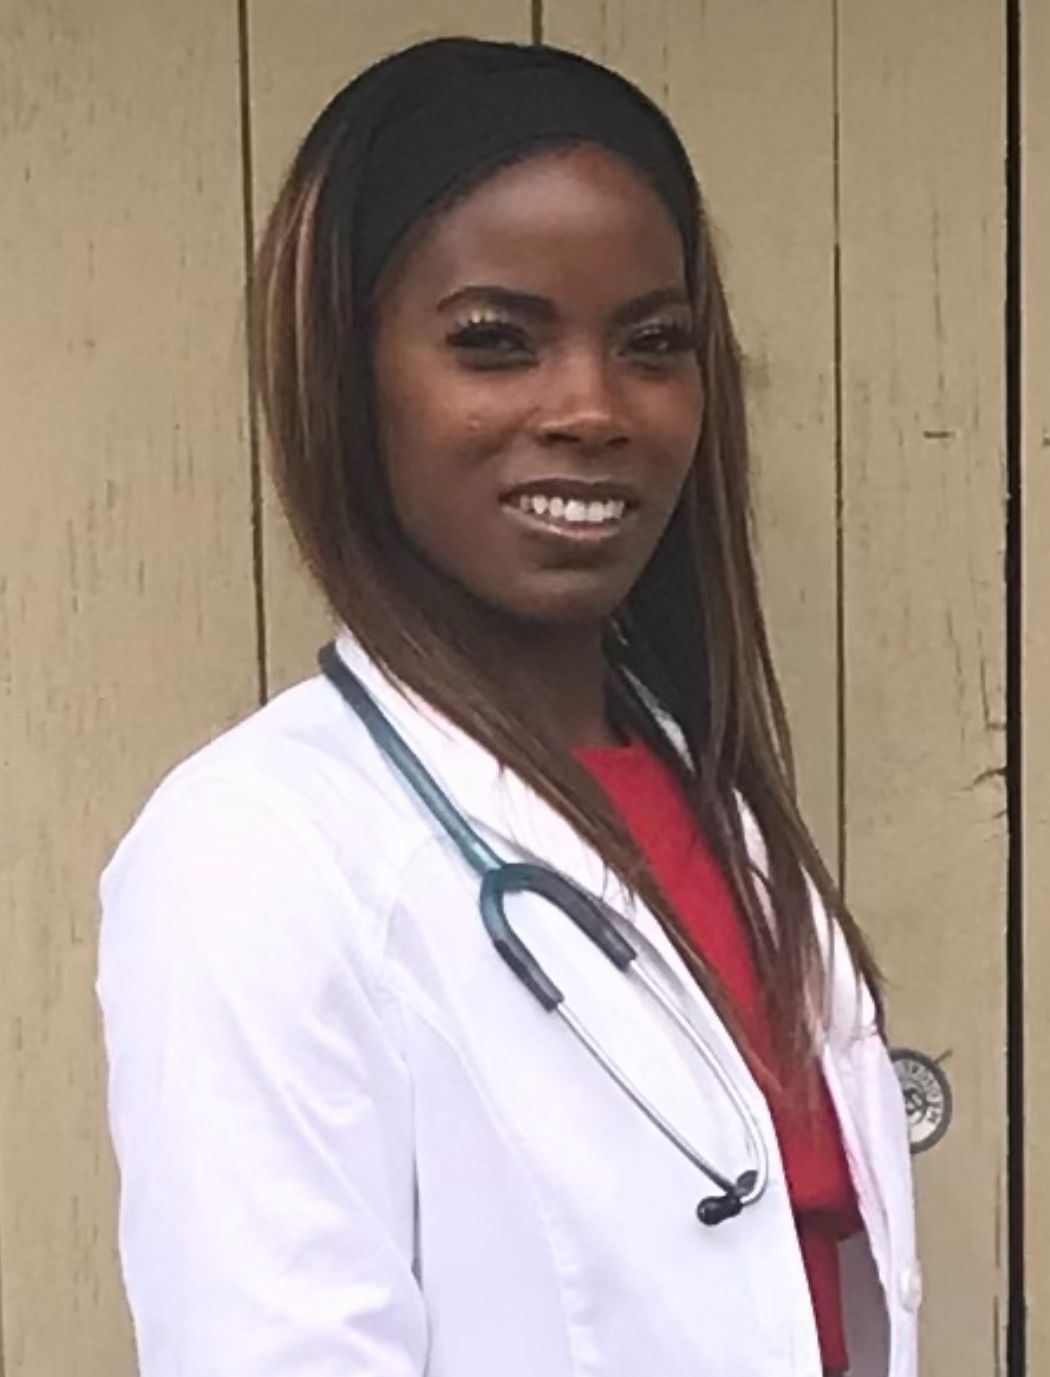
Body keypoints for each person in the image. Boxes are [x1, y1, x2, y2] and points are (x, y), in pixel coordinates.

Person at [97, 36, 918, 1377]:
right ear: (347, 380)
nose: (593, 407)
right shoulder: (251, 853)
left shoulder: (709, 807)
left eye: (652, 343)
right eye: (494, 343)